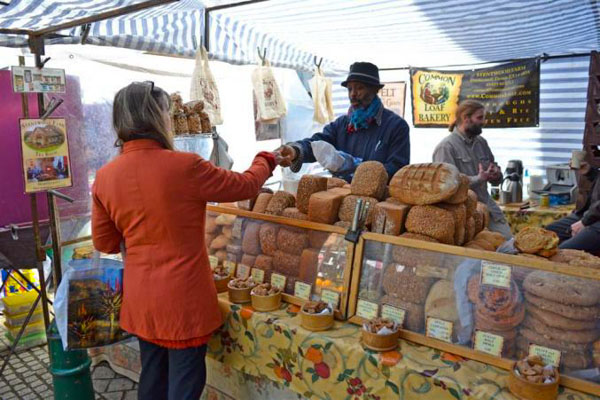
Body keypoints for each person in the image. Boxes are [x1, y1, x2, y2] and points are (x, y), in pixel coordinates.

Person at [91, 81, 281, 400]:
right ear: (157, 117)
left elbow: (106, 243)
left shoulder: (105, 176)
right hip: (184, 302)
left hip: (141, 301)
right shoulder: (186, 166)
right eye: (166, 112)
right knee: (184, 385)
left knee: (153, 379)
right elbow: (247, 185)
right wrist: (267, 158)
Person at [278, 62, 410, 182]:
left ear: (375, 90)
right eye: (350, 89)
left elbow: (397, 169)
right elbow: (317, 144)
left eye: (359, 88)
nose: (353, 94)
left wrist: (358, 169)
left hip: (377, 198)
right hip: (341, 196)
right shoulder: (341, 124)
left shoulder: (396, 126)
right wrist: (295, 150)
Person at [432, 99, 512, 239]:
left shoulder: (481, 142)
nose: (483, 122)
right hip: (464, 213)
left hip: (488, 207)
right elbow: (446, 186)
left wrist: (496, 175)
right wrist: (478, 179)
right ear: (466, 118)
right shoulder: (446, 147)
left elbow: (495, 176)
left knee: (509, 243)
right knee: (474, 250)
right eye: (479, 118)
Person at [545, 161, 600, 253]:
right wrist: (590, 172)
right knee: (546, 235)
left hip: (596, 221)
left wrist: (584, 222)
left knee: (561, 252)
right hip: (593, 215)